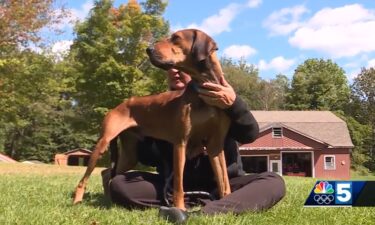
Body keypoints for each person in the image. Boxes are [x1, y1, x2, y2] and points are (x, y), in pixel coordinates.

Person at [103, 69, 285, 221]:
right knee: (120, 184)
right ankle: (210, 205)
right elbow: (147, 158)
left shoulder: (218, 102)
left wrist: (234, 104)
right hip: (173, 188)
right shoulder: (159, 107)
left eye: (182, 66)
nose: (175, 70)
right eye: (171, 66)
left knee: (274, 182)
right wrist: (141, 133)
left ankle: (201, 214)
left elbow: (250, 134)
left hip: (224, 185)